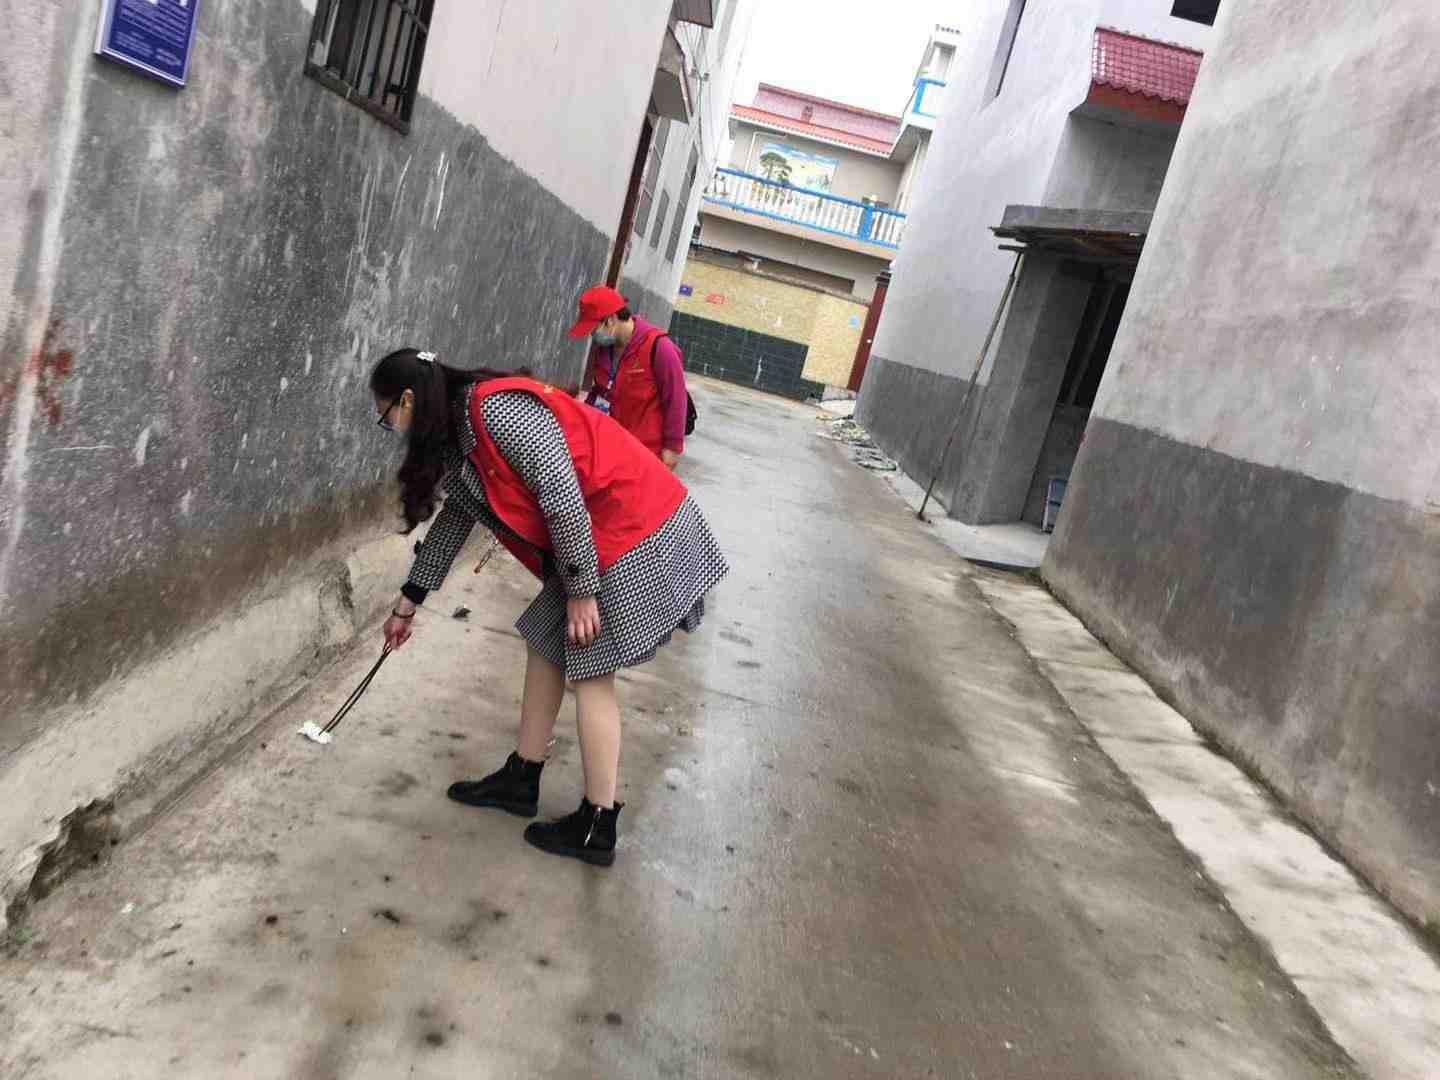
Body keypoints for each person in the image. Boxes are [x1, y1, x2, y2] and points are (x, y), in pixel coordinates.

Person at [370, 348, 726, 867]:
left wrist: (581, 591)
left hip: (633, 529)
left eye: (386, 415)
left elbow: (561, 497)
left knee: (590, 668)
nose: (390, 427)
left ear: (407, 400)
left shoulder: (496, 411)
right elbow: (454, 522)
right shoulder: (460, 437)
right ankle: (522, 776)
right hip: (598, 536)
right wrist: (409, 603)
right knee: (545, 641)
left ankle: (597, 825)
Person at [571, 285, 689, 468]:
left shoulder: (659, 348)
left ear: (611, 320)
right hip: (611, 448)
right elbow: (599, 391)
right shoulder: (604, 350)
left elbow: (676, 401)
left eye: (593, 329)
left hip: (646, 455)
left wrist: (672, 449)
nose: (592, 336)